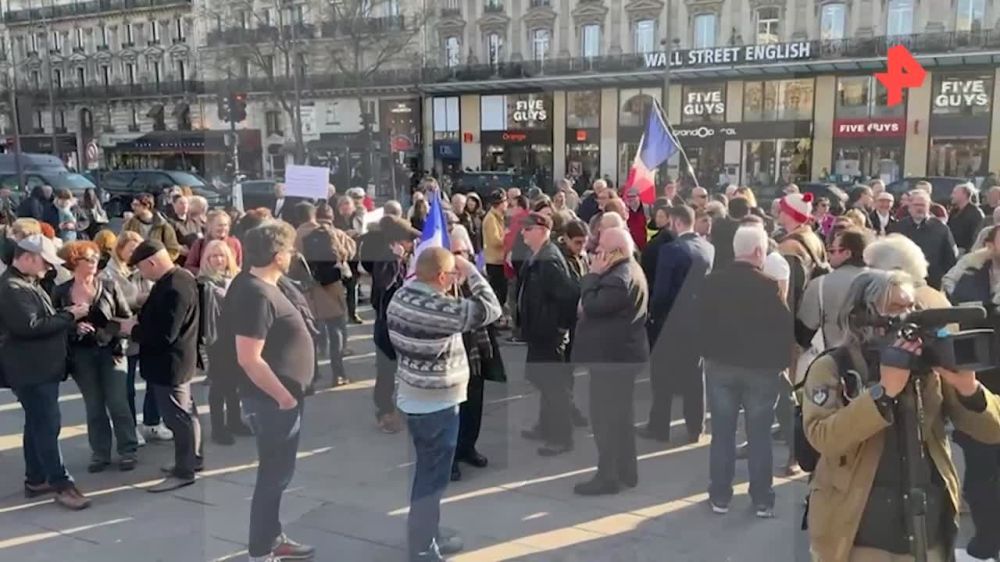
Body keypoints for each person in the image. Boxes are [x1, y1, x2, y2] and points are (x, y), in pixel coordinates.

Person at [802, 269, 1000, 562]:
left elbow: (991, 430)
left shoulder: (929, 368)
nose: (908, 317)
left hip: (928, 530)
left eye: (911, 307)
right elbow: (823, 438)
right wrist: (882, 393)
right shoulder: (835, 366)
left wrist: (968, 389)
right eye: (896, 308)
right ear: (863, 315)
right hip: (859, 533)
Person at [387, 247, 502, 562]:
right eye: (452, 273)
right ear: (441, 277)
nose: (456, 278)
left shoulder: (401, 297)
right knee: (431, 480)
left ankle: (428, 534)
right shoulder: (441, 309)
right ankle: (423, 548)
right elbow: (492, 309)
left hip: (413, 397)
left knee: (427, 473)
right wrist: (473, 272)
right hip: (436, 405)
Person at [220, 221, 316, 562]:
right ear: (277, 256)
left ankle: (272, 537)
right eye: (289, 250)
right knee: (273, 477)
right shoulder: (255, 294)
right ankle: (261, 551)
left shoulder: (262, 284)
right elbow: (249, 358)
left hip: (278, 399)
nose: (293, 255)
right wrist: (284, 397)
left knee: (278, 475)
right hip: (272, 401)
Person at [697, 224, 792, 518]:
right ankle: (762, 499)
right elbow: (783, 330)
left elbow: (700, 323)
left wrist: (707, 353)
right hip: (761, 371)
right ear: (759, 251)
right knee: (760, 434)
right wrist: (780, 366)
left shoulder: (712, 282)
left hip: (720, 366)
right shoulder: (770, 286)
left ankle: (720, 496)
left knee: (722, 433)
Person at [0, 235, 91, 509]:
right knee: (47, 425)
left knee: (38, 423)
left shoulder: (26, 283)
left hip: (37, 368)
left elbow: (41, 319)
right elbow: (29, 326)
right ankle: (61, 483)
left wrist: (68, 320)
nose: (47, 269)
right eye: (44, 262)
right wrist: (69, 316)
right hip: (31, 370)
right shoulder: (13, 287)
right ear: (26, 257)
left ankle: (36, 478)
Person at [120, 239, 203, 493]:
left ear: (152, 262)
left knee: (178, 418)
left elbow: (164, 334)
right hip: (178, 361)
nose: (142, 274)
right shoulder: (180, 278)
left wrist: (133, 328)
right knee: (187, 412)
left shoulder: (174, 287)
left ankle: (184, 470)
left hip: (170, 364)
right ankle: (192, 459)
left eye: (142, 269)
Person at [572, 227, 648, 495]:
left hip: (612, 360)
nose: (596, 251)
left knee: (605, 420)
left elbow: (591, 306)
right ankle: (627, 471)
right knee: (621, 418)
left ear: (616, 252)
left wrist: (591, 276)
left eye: (602, 248)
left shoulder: (618, 278)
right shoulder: (628, 270)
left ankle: (608, 477)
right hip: (621, 356)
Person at [52, 241, 137, 473]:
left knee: (118, 402)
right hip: (81, 355)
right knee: (94, 405)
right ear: (74, 262)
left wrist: (109, 333)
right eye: (89, 258)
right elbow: (55, 324)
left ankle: (128, 449)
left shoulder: (108, 286)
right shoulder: (61, 291)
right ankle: (100, 453)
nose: (94, 261)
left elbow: (126, 318)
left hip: (112, 351)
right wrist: (74, 328)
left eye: (96, 257)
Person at [943, 224, 1000, 559]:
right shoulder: (968, 276)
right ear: (990, 243)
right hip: (977, 383)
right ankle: (986, 538)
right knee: (980, 475)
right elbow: (955, 316)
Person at [642, 205, 714, 443]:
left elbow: (661, 293)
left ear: (677, 222)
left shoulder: (671, 250)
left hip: (670, 323)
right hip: (698, 321)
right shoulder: (707, 248)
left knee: (662, 377)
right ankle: (696, 426)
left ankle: (658, 427)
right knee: (695, 376)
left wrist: (652, 315)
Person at [517, 212, 581, 455]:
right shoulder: (539, 255)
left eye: (528, 228)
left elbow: (569, 294)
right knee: (543, 381)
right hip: (540, 332)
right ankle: (545, 427)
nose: (523, 232)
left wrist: (559, 327)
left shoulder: (549, 259)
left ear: (543, 230)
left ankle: (562, 437)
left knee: (554, 386)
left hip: (548, 334)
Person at [449, 225, 505, 482]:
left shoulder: (475, 278)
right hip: (450, 362)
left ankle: (467, 447)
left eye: (463, 252)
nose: (459, 258)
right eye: (453, 252)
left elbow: (492, 308)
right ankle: (449, 458)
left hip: (475, 355)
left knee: (473, 408)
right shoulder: (437, 283)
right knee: (452, 413)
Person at [100, 231, 166, 445]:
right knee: (125, 386)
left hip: (145, 333)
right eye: (131, 249)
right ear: (120, 249)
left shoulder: (143, 271)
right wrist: (140, 299)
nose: (135, 254)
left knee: (153, 381)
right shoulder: (108, 274)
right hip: (123, 335)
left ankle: (152, 422)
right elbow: (111, 305)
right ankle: (130, 427)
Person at [371, 215, 421, 433]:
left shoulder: (398, 258)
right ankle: (384, 411)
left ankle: (400, 407)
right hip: (386, 325)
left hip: (400, 323)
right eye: (409, 241)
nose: (411, 245)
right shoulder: (385, 258)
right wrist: (396, 261)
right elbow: (383, 285)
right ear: (399, 241)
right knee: (386, 370)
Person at [298, 202, 356, 387]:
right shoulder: (333, 232)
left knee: (310, 332)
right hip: (332, 286)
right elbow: (349, 252)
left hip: (308, 288)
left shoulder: (296, 235)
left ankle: (312, 373)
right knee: (336, 329)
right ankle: (338, 373)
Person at [198, 240, 246, 445]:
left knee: (235, 383)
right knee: (219, 384)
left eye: (222, 256)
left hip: (237, 335)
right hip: (217, 338)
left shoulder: (236, 278)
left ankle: (235, 420)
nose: (218, 260)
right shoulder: (203, 282)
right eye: (213, 256)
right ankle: (218, 428)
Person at [797, 228, 871, 355]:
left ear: (847, 253)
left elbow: (803, 334)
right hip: (880, 363)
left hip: (835, 363)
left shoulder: (820, 284)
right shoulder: (884, 282)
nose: (828, 255)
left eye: (832, 251)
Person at [888, 190, 957, 289]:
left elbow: (950, 258)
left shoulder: (941, 229)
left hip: (933, 284)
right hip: (905, 283)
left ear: (928, 207)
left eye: (923, 205)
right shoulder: (898, 228)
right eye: (916, 205)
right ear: (909, 207)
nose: (919, 208)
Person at [122, 193, 182, 262]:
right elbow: (121, 243)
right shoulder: (130, 224)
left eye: (136, 205)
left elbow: (173, 250)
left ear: (146, 206)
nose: (133, 208)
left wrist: (160, 260)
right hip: (134, 264)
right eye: (132, 205)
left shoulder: (163, 226)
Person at [185, 209, 243, 275]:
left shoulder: (234, 243)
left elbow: (238, 266)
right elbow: (188, 267)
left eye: (225, 225)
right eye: (220, 225)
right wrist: (204, 272)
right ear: (210, 226)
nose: (223, 228)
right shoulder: (199, 244)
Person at [482, 190, 508, 323]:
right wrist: (508, 238)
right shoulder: (491, 219)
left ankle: (497, 318)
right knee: (498, 291)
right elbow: (494, 241)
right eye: (505, 202)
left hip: (500, 260)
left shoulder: (499, 217)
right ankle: (494, 319)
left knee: (501, 291)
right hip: (494, 261)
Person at [640, 205, 675, 286]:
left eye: (661, 216)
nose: (657, 219)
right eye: (657, 216)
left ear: (669, 219)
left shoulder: (664, 240)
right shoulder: (654, 237)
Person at [949, 182, 985, 255]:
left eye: (955, 193)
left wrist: (967, 251)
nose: (952, 195)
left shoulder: (976, 213)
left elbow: (977, 236)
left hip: (965, 253)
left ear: (964, 194)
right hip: (952, 250)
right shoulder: (954, 212)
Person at [165, 194, 202, 260]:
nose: (184, 206)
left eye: (186, 203)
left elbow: (200, 237)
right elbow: (170, 242)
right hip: (180, 257)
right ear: (174, 205)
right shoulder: (170, 222)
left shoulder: (194, 221)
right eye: (181, 203)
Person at [623, 187, 649, 251]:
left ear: (639, 197)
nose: (630, 199)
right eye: (628, 197)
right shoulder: (625, 211)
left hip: (646, 245)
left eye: (633, 196)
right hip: (631, 247)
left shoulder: (647, 209)